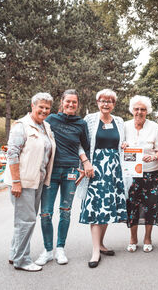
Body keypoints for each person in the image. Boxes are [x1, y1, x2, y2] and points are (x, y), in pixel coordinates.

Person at [35, 89, 93, 266]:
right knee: (45, 212)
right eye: (68, 101)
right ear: (62, 102)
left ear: (78, 104)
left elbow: (85, 146)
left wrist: (84, 164)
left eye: (74, 102)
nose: (71, 104)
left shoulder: (81, 123)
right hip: (51, 171)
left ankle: (60, 248)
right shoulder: (51, 120)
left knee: (65, 211)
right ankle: (47, 250)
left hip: (70, 171)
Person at [4, 92, 56, 272]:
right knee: (26, 221)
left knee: (25, 220)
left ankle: (14, 254)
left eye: (47, 108)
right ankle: (22, 260)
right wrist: (16, 181)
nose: (44, 110)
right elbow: (12, 154)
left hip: (38, 181)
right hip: (23, 181)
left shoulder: (45, 126)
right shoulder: (22, 126)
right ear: (32, 106)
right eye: (40, 106)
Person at [78, 88, 128, 268]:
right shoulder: (89, 120)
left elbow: (122, 143)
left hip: (114, 170)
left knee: (108, 208)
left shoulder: (120, 121)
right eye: (102, 100)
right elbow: (79, 143)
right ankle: (95, 252)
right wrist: (85, 162)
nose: (106, 104)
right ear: (97, 102)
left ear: (114, 104)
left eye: (110, 101)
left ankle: (101, 244)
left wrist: (124, 144)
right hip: (95, 170)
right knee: (96, 209)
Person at [124, 95, 158, 253]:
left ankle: (148, 238)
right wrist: (123, 144)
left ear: (147, 111)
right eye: (136, 109)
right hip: (131, 173)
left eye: (142, 109)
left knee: (150, 206)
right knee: (132, 205)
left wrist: (154, 156)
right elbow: (119, 145)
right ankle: (133, 238)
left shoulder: (154, 127)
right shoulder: (125, 126)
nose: (139, 112)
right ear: (132, 110)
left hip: (151, 172)